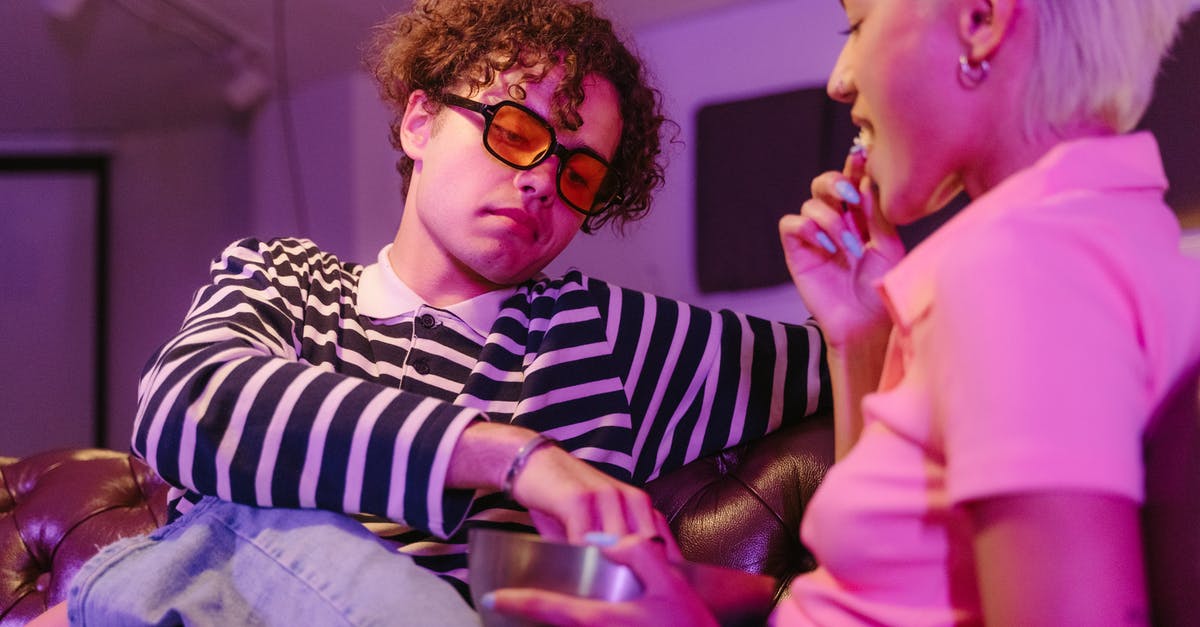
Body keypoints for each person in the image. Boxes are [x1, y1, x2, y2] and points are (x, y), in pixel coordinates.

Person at [41, 0, 830, 625]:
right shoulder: (288, 282)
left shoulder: (605, 339)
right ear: (419, 121)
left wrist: (859, 310)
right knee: (266, 526)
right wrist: (512, 457)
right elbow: (188, 404)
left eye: (580, 175)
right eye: (518, 130)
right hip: (229, 599)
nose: (544, 184)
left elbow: (853, 355)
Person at [487, 0, 1200, 625]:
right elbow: (902, 569)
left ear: (980, 21)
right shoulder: (1116, 233)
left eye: (856, 26)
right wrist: (858, 334)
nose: (840, 78)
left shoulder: (1018, 261)